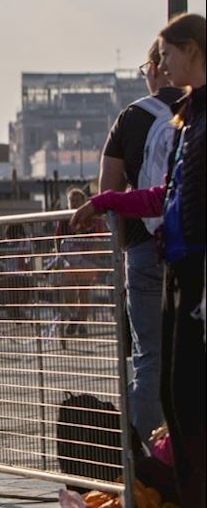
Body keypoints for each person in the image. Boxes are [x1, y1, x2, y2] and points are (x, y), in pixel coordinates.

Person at [71, 12, 204, 508]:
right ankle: (192, 502)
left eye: (167, 54)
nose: (161, 65)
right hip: (177, 265)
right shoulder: (184, 119)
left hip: (198, 267)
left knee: (184, 386)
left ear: (192, 50)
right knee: (175, 387)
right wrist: (106, 201)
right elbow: (163, 196)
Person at [99, 42, 183, 443]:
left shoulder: (130, 118)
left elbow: (108, 189)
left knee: (149, 356)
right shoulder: (198, 111)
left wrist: (121, 250)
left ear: (156, 66)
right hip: (191, 245)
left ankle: (143, 455)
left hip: (143, 244)